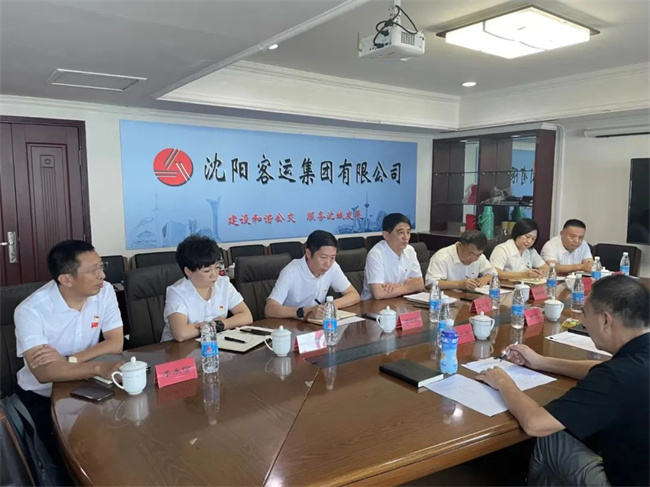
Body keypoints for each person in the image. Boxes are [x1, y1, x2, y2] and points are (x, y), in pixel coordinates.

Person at [476, 275, 649, 486]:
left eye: (585, 314)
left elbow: (535, 424)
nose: (583, 322)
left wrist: (502, 381)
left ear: (606, 320)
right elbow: (602, 369)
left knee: (550, 436)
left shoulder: (618, 376)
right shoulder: (636, 357)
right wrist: (541, 362)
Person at [14, 240, 124, 455]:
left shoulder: (105, 292)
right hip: (43, 397)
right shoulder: (30, 311)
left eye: (101, 267)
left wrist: (68, 360)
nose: (102, 275)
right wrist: (98, 368)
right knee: (64, 459)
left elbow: (115, 343)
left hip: (89, 387)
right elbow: (44, 373)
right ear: (66, 279)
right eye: (93, 271)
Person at [162, 235, 253, 342]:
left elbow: (247, 316)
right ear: (188, 271)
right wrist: (211, 327)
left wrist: (218, 324)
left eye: (217, 267)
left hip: (215, 344)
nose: (214, 274)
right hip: (180, 349)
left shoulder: (223, 283)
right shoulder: (176, 292)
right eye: (207, 271)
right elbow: (181, 333)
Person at [265, 230, 360, 320]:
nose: (328, 263)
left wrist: (331, 305)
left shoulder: (333, 267)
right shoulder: (291, 271)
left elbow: (354, 295)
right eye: (323, 257)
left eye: (332, 257)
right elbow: (270, 309)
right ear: (309, 254)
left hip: (317, 324)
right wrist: (304, 312)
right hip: (292, 325)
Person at [361, 213, 424, 300]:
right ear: (386, 235)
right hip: (373, 304)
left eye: (408, 232)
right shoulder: (376, 254)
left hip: (400, 300)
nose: (406, 237)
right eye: (401, 233)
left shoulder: (410, 250)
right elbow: (379, 294)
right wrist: (408, 287)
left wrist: (398, 287)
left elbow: (420, 284)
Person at [425, 230, 494, 290]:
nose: (474, 259)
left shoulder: (480, 257)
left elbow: (493, 273)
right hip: (447, 298)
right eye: (471, 253)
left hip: (469, 297)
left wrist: (486, 278)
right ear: (460, 245)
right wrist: (459, 284)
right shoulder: (442, 257)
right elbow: (430, 283)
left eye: (478, 255)